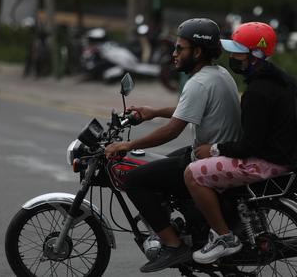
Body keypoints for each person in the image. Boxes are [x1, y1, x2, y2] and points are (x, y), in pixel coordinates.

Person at [104, 18, 242, 272]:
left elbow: (172, 131)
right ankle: (187, 225)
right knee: (163, 165)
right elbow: (187, 111)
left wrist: (126, 145)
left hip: (209, 161)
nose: (174, 54)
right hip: (216, 153)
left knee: (136, 180)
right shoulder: (218, 74)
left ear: (197, 52)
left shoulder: (198, 83)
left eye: (180, 48)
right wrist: (154, 111)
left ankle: (173, 244)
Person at [184, 22, 297, 264]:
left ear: (254, 55)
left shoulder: (257, 92)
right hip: (281, 156)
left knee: (192, 174)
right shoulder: (277, 79)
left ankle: (224, 238)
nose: (232, 57)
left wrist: (213, 149)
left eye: (238, 52)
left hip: (266, 162)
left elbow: (250, 146)